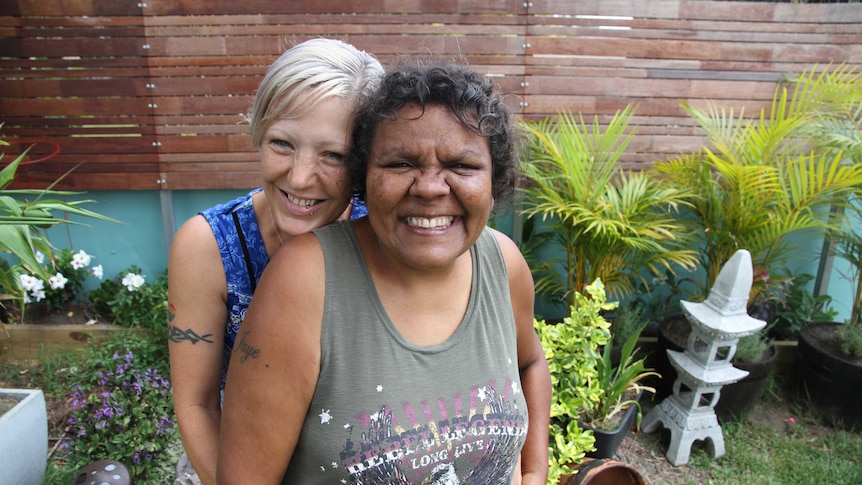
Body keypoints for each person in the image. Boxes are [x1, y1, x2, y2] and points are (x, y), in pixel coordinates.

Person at [217, 60, 551, 484]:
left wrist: (535, 472)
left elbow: (531, 364)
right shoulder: (305, 281)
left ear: (493, 179)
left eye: (462, 166)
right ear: (363, 178)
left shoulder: (504, 265)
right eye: (400, 164)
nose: (430, 188)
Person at [167, 38, 384, 485]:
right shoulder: (207, 245)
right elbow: (196, 404)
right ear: (259, 134)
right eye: (282, 143)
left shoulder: (383, 235)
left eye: (333, 155)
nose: (300, 177)